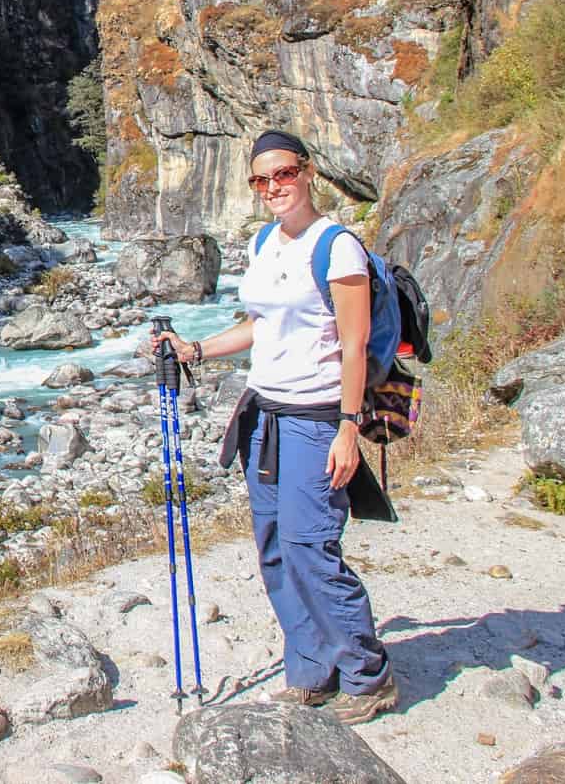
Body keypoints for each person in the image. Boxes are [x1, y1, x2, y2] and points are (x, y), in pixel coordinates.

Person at [153, 129, 397, 724]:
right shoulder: (265, 241)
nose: (273, 188)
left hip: (317, 419)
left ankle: (369, 674)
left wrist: (347, 427)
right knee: (273, 547)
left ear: (308, 172)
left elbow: (355, 342)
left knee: (310, 545)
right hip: (263, 415)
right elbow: (259, 325)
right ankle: (312, 670)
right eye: (261, 180)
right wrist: (198, 351)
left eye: (283, 174)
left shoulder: (336, 247)